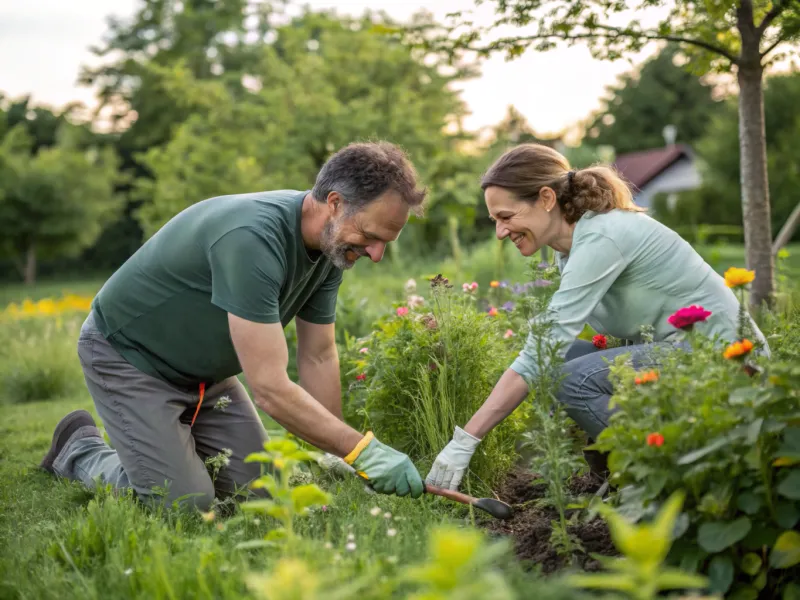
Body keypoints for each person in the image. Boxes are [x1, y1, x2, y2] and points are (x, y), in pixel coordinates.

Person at [41, 141, 427, 509]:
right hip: (130, 358)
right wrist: (362, 449)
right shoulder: (253, 240)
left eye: (384, 243)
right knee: (183, 504)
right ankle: (80, 450)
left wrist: (337, 452)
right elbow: (270, 389)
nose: (376, 254)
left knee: (261, 495)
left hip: (207, 377)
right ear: (335, 203)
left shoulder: (331, 249)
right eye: (371, 236)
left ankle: (173, 447)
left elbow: (320, 356)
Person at [426, 143, 769, 491]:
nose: (500, 232)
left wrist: (465, 440)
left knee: (570, 379)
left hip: (726, 359)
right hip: (682, 353)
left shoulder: (602, 237)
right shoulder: (573, 247)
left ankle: (669, 477)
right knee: (571, 356)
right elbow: (554, 347)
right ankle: (618, 477)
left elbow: (541, 348)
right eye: (495, 220)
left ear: (546, 199)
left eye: (506, 217)